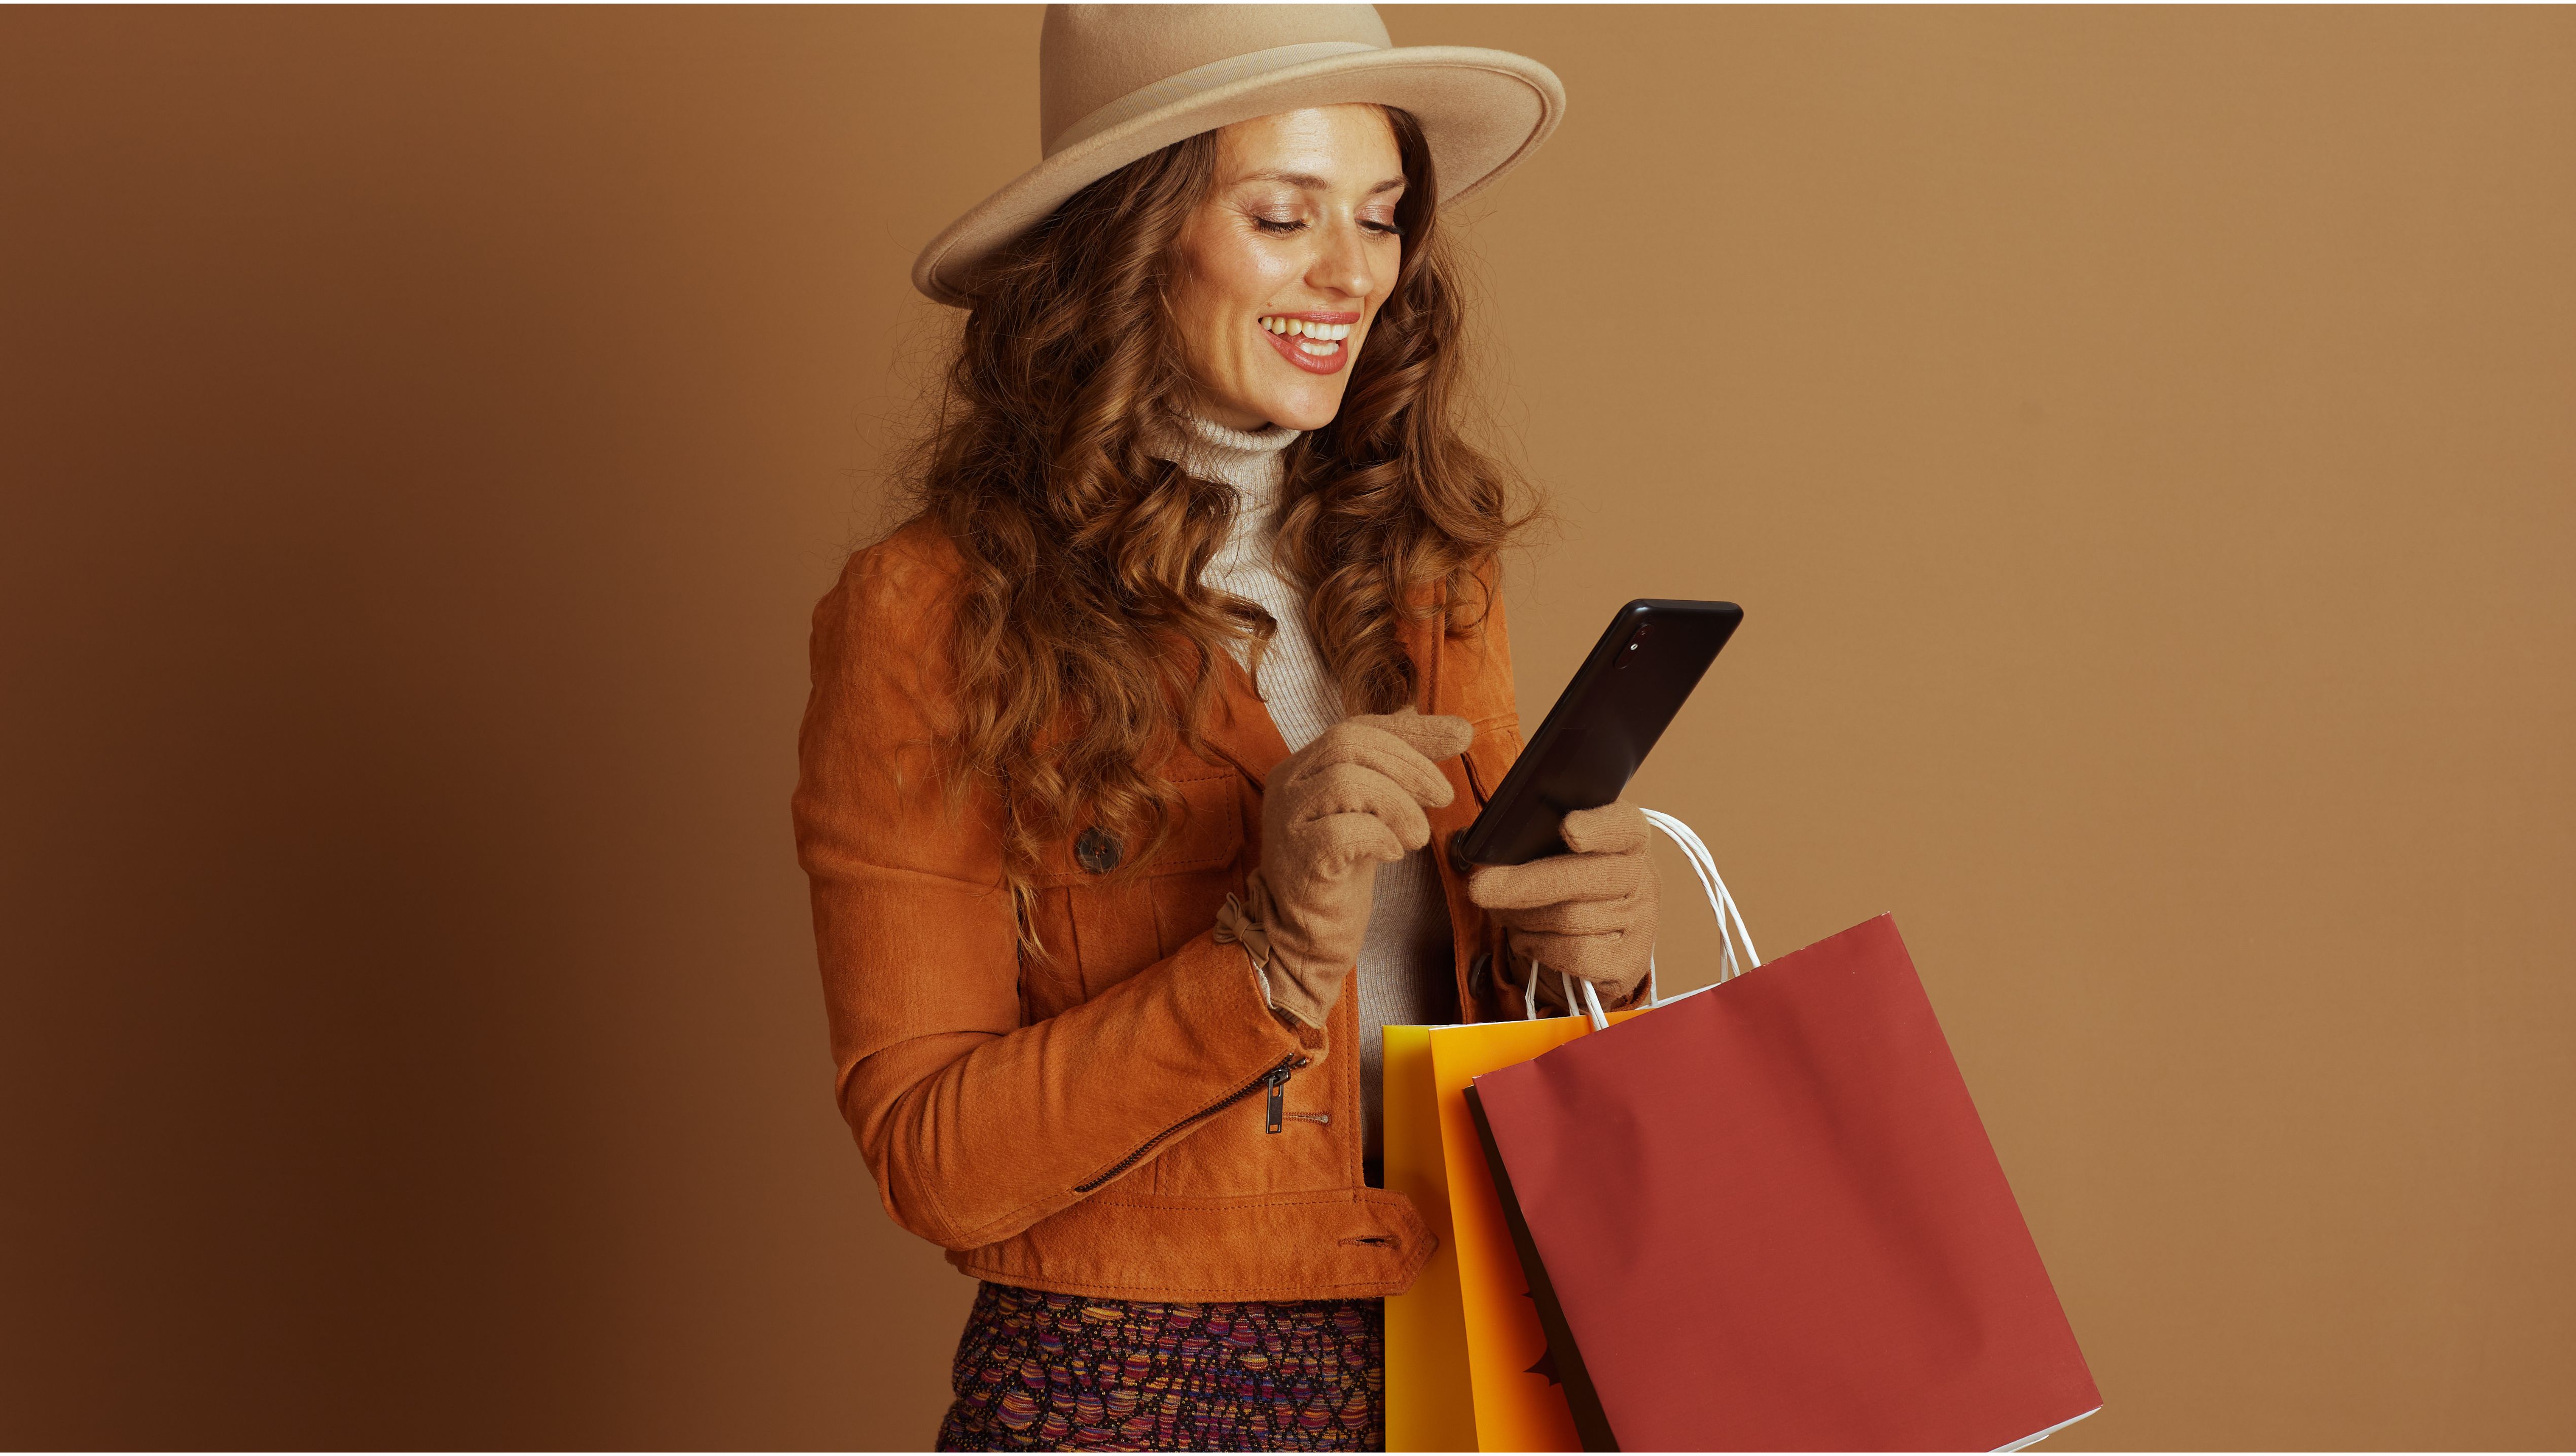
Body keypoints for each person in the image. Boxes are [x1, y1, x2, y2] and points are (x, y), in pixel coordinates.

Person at [793, 7, 1662, 1448]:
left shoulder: (1426, 564)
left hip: (1472, 1361)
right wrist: (1262, 956)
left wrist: (1591, 965)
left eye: (1379, 218)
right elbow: (932, 1159)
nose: (1352, 274)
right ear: (1129, 242)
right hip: (1132, 1396)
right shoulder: (931, 611)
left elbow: (1468, 1026)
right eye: (1281, 215)